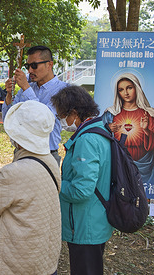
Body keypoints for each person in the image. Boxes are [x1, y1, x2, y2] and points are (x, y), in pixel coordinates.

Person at [0, 100, 61, 275]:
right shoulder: (51, 163)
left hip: (15, 264)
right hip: (44, 261)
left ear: (17, 137)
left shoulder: (13, 173)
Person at [51, 85, 114, 275]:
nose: (63, 121)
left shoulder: (87, 140)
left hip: (85, 225)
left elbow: (81, 190)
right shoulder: (99, 130)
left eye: (63, 115)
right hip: (94, 220)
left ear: (75, 113)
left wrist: (56, 184)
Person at [2, 45, 68, 164]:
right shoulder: (27, 88)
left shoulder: (63, 90)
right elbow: (8, 118)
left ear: (49, 65)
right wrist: (9, 95)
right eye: (27, 66)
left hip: (46, 155)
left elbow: (44, 120)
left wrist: (26, 88)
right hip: (22, 152)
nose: (30, 71)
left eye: (34, 66)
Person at [103, 72, 154, 182]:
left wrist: (146, 131)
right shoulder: (111, 114)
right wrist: (107, 129)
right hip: (118, 165)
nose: (126, 93)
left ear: (137, 88)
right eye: (121, 90)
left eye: (129, 88)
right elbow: (97, 137)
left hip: (143, 168)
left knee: (142, 196)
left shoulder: (149, 114)